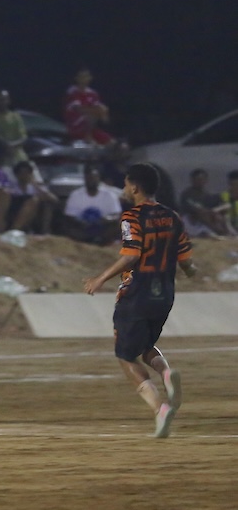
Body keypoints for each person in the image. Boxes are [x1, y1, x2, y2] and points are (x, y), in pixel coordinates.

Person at [82, 162, 195, 438]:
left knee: (125, 355)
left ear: (134, 187)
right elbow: (186, 261)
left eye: (125, 183)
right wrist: (193, 272)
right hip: (164, 293)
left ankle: (159, 408)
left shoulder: (132, 216)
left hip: (137, 293)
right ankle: (166, 374)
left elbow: (131, 255)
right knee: (145, 345)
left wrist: (100, 278)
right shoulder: (172, 216)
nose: (124, 188)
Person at [63, 163, 123, 244]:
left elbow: (116, 214)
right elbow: (69, 216)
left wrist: (107, 219)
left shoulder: (109, 195)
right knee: (69, 226)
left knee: (118, 224)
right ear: (85, 180)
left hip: (103, 227)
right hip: (82, 227)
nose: (91, 180)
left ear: (98, 179)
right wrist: (81, 222)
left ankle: (102, 241)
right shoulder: (75, 195)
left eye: (93, 178)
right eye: (89, 178)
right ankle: (84, 241)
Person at [63, 67, 116, 146]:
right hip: (75, 127)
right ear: (76, 78)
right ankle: (88, 139)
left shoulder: (93, 93)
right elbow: (78, 109)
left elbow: (101, 112)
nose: (84, 79)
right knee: (92, 114)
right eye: (81, 77)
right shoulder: (72, 91)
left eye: (86, 76)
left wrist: (103, 111)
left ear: (90, 78)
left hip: (92, 128)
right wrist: (98, 111)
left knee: (113, 144)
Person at [4, 160, 57, 234]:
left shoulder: (36, 187)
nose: (24, 175)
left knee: (42, 202)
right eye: (21, 173)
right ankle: (14, 229)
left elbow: (54, 199)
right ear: (16, 175)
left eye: (27, 173)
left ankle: (43, 231)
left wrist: (35, 185)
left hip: (35, 213)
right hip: (16, 211)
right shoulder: (11, 187)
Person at [178, 168, 228, 238]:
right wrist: (209, 212)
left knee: (219, 215)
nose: (200, 182)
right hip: (190, 221)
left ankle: (227, 232)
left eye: (202, 179)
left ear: (206, 180)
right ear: (192, 180)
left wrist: (217, 210)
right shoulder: (187, 194)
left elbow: (223, 204)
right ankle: (217, 231)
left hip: (204, 222)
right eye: (198, 179)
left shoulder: (208, 195)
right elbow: (196, 210)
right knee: (203, 213)